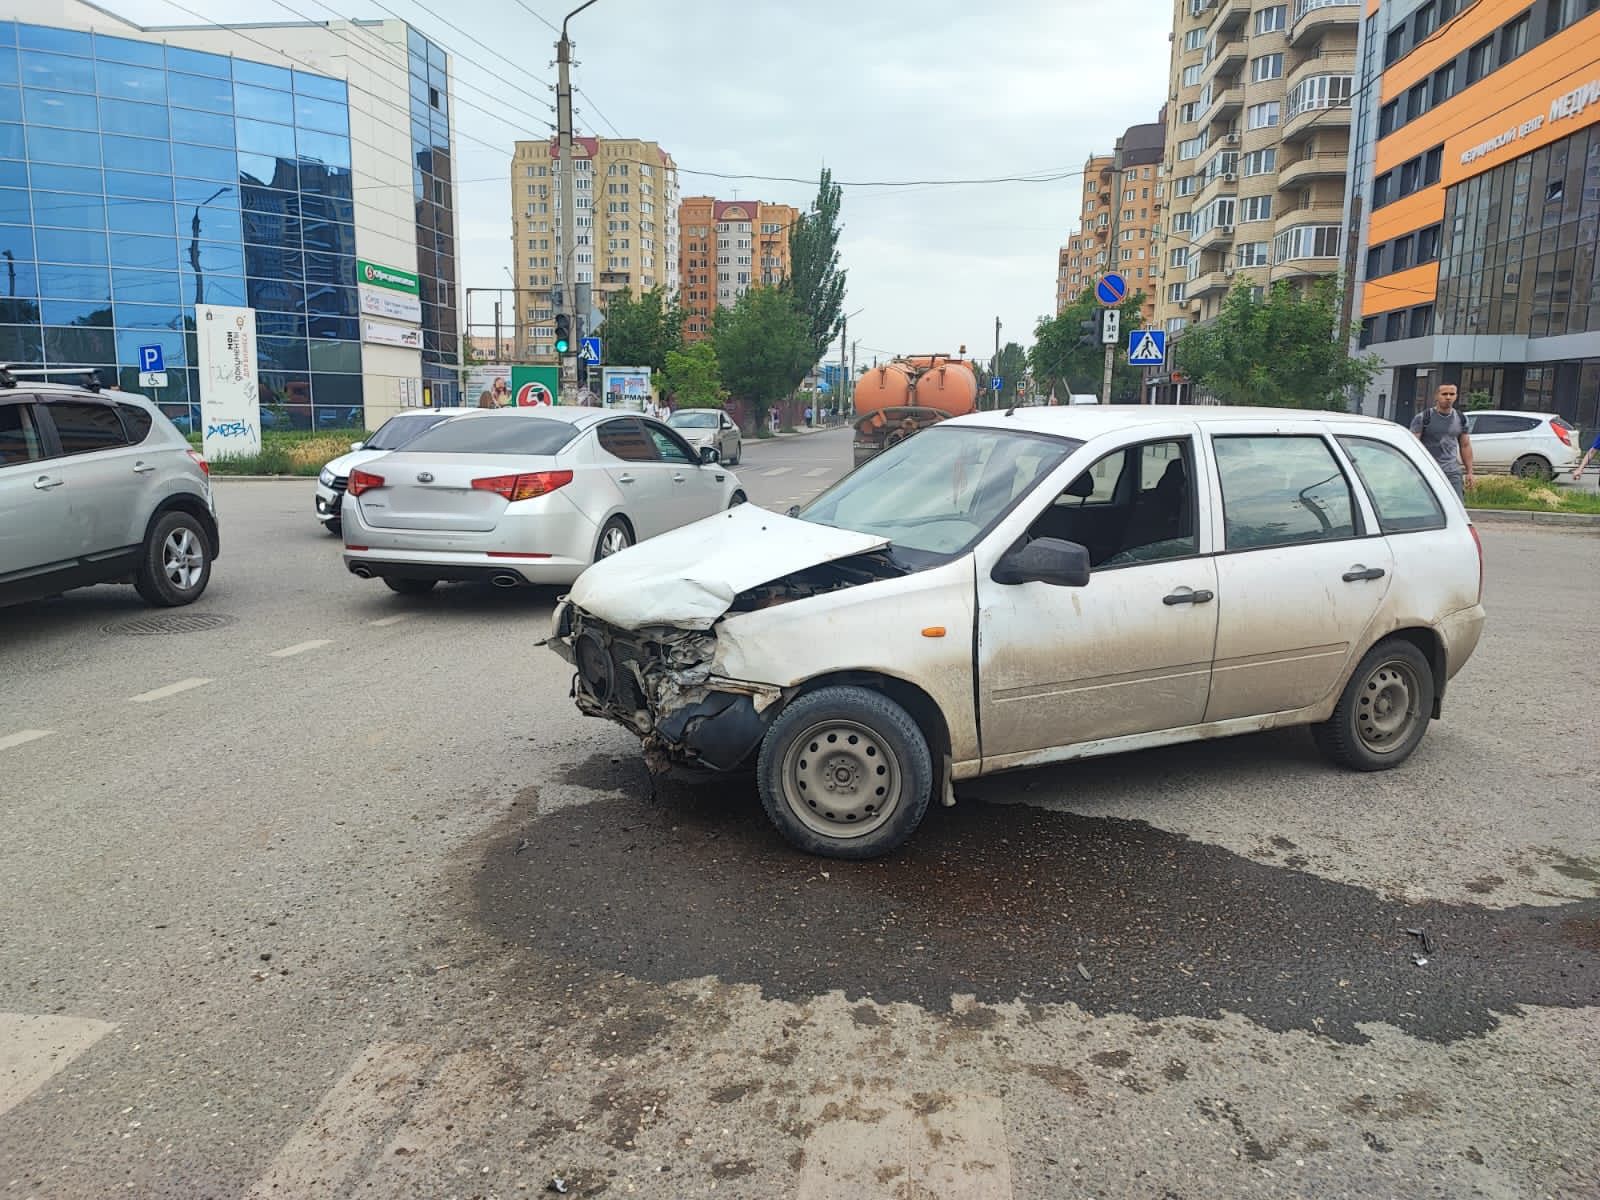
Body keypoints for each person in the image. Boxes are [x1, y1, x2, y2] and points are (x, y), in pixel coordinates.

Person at [1409, 383, 1474, 498]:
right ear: (1436, 396)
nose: (1448, 397)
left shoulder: (1461, 418)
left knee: (1455, 504)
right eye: (1444, 394)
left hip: (1452, 471)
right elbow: (1413, 445)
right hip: (1428, 470)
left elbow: (1465, 445)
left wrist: (1469, 472)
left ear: (1456, 396)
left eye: (1452, 394)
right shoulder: (1424, 417)